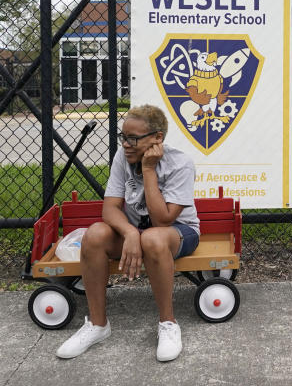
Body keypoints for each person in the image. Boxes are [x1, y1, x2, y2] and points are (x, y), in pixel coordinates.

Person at [56, 105, 200, 362]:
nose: (125, 144)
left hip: (177, 233)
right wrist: (131, 233)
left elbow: (163, 220)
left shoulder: (181, 164)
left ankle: (168, 323)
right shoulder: (122, 157)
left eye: (133, 138)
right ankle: (98, 325)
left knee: (153, 237)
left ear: (157, 138)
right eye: (123, 137)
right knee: (95, 234)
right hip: (139, 233)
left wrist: (148, 170)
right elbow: (109, 209)